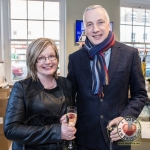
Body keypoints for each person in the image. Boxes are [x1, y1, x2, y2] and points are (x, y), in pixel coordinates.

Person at [67, 5, 148, 150]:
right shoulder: (75, 59)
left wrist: (125, 119)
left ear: (108, 24)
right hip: (85, 139)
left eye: (100, 22)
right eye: (89, 24)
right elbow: (69, 97)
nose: (95, 29)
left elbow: (140, 95)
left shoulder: (129, 54)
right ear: (85, 28)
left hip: (118, 136)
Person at [4, 38, 76, 150]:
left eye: (52, 56)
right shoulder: (22, 88)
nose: (48, 62)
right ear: (33, 61)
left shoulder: (66, 83)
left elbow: (71, 111)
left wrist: (68, 118)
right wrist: (57, 131)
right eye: (41, 58)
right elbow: (11, 130)